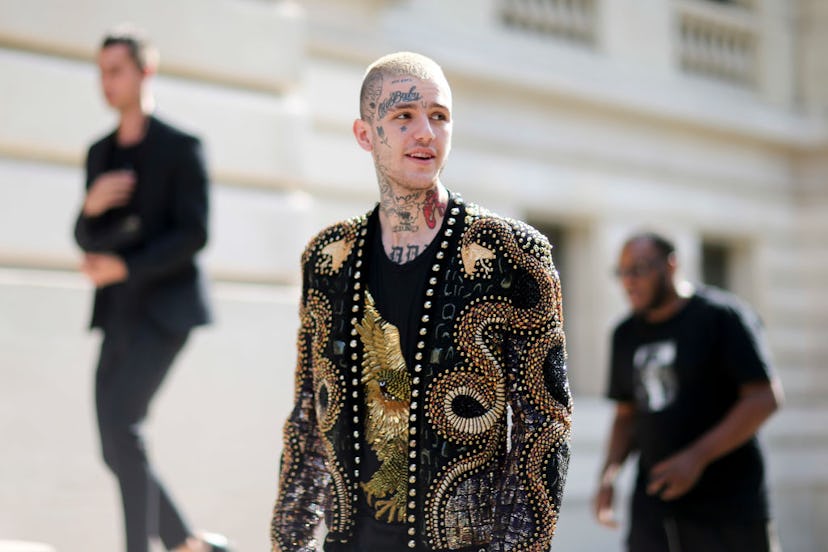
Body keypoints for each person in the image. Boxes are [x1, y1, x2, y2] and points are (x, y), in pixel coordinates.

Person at [269, 52, 572, 552]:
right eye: (403, 116)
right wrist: (290, 542)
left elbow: (546, 425)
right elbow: (307, 421)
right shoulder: (328, 259)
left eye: (439, 115)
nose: (425, 132)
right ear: (366, 134)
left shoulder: (510, 253)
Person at [73, 26, 228, 552]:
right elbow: (87, 236)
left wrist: (125, 268)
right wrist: (89, 208)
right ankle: (189, 544)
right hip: (116, 313)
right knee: (115, 445)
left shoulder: (181, 148)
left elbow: (195, 233)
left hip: (166, 313)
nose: (106, 81)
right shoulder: (99, 154)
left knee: (123, 426)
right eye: (101, 71)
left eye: (116, 70)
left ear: (145, 71)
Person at [593, 232, 784, 552]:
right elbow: (626, 414)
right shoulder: (624, 334)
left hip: (729, 508)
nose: (629, 281)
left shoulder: (721, 316)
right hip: (655, 506)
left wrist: (695, 458)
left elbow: (764, 398)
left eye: (639, 269)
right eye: (622, 272)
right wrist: (608, 476)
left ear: (671, 265)